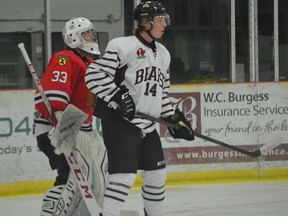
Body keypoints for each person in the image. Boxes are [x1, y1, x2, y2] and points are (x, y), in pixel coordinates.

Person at [85, 1, 194, 216]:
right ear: (145, 22)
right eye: (160, 19)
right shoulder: (122, 46)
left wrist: (173, 118)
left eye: (165, 19)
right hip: (120, 121)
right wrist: (118, 96)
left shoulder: (163, 54)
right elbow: (93, 75)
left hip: (148, 124)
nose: (165, 24)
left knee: (156, 175)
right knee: (123, 177)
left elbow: (161, 94)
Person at [34, 17, 108, 216]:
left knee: (94, 180)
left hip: (80, 127)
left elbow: (92, 102)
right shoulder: (65, 58)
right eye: (86, 33)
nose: (92, 36)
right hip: (58, 129)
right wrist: (63, 133)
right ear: (74, 37)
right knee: (69, 177)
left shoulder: (89, 63)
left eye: (92, 32)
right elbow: (54, 97)